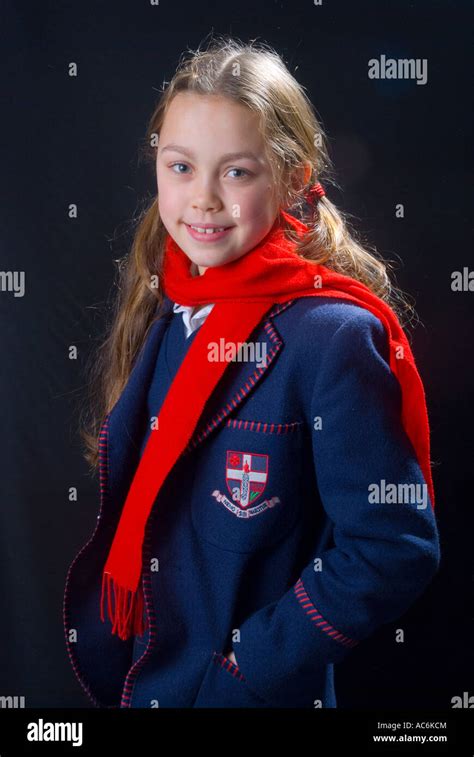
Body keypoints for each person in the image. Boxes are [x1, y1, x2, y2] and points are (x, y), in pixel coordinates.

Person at [63, 36, 441, 709]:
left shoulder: (332, 338)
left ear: (294, 178)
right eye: (181, 167)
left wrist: (245, 672)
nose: (203, 199)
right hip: (144, 684)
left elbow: (394, 546)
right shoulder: (171, 304)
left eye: (236, 172)